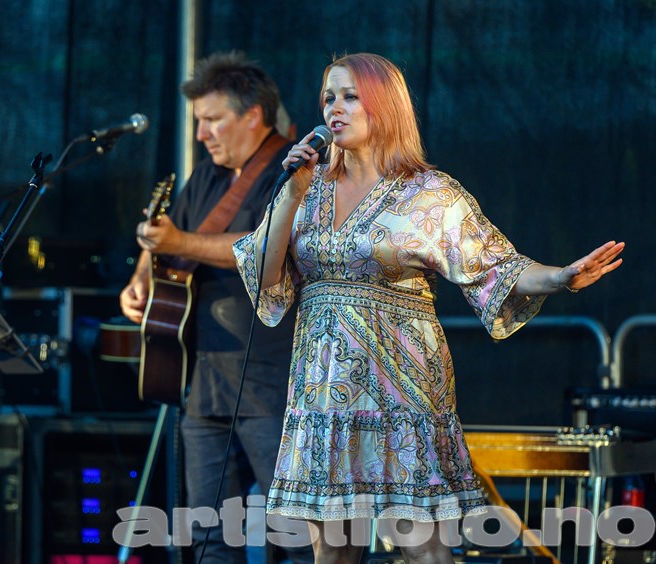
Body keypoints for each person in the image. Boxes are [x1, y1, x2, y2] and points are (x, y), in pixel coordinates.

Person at [234, 52, 624, 564]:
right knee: (333, 552)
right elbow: (264, 277)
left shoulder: (430, 194)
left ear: (385, 107)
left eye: (351, 96)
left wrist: (560, 277)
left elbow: (494, 266)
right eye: (329, 96)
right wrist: (290, 195)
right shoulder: (306, 187)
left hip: (403, 386)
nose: (335, 108)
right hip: (324, 387)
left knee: (424, 549)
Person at [119, 51, 314, 564]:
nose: (202, 133)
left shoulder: (295, 172)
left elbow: (263, 248)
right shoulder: (205, 177)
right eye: (198, 121)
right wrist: (140, 278)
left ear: (253, 115)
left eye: (212, 120)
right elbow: (165, 240)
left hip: (275, 384)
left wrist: (177, 239)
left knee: (296, 538)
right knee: (206, 538)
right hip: (202, 382)